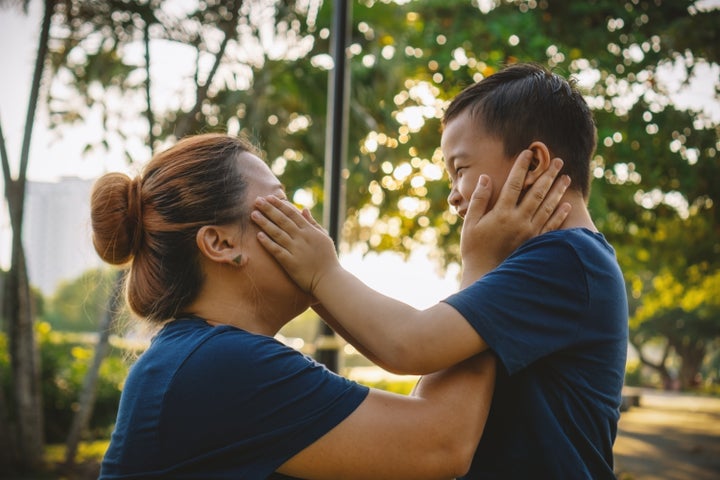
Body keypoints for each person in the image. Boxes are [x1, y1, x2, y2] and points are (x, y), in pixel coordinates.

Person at [91, 132, 569, 479]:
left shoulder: (204, 354)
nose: (304, 219)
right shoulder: (219, 364)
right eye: (278, 204)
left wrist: (324, 283)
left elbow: (409, 376)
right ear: (220, 243)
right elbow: (441, 443)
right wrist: (486, 265)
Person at [252, 63, 629, 479]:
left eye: (460, 170)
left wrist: (321, 274)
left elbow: (410, 344)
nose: (452, 196)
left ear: (534, 162)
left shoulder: (566, 259)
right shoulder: (543, 262)